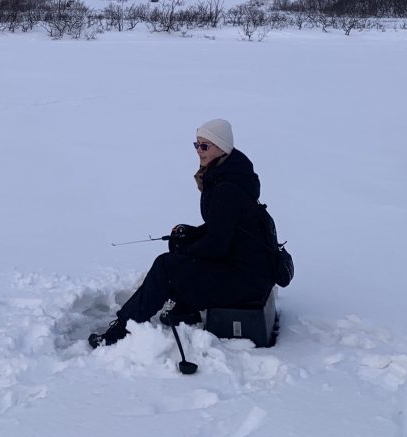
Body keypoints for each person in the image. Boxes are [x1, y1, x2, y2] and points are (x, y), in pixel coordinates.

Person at [89, 118, 275, 348]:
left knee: (166, 266)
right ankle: (185, 309)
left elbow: (218, 245)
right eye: (197, 144)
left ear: (222, 148)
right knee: (181, 241)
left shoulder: (226, 189)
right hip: (247, 270)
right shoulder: (231, 174)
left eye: (205, 146)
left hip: (244, 281)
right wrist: (189, 237)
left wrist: (187, 250)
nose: (199, 151)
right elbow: (226, 227)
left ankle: (123, 329)